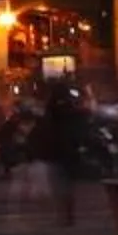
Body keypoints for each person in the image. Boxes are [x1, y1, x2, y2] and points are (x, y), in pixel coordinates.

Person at [36, 79, 85, 226]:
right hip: (68, 152)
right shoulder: (71, 110)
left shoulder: (51, 111)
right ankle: (67, 216)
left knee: (58, 185)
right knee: (67, 185)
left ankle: (62, 216)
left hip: (55, 151)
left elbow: (46, 130)